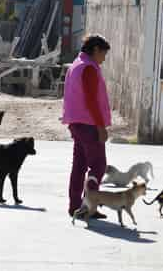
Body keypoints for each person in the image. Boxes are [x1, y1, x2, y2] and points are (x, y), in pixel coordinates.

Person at [62, 34, 112, 219]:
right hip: (88, 124)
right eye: (104, 54)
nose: (104, 59)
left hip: (76, 122)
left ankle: (75, 205)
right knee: (98, 165)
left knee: (80, 165)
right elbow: (92, 101)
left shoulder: (75, 65)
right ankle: (88, 205)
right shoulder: (89, 68)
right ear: (96, 50)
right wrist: (101, 127)